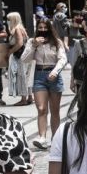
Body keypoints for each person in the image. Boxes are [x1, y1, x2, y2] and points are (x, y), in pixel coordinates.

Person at [25, 17, 68, 150]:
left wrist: (55, 72)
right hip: (39, 75)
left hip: (54, 74)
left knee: (55, 110)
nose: (43, 30)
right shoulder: (32, 42)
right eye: (40, 27)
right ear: (37, 28)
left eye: (45, 27)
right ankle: (42, 137)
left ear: (49, 28)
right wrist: (34, 46)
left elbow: (62, 59)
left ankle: (55, 139)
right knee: (41, 109)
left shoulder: (57, 42)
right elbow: (24, 59)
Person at [4, 10, 31, 105]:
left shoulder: (17, 29)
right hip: (25, 56)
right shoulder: (21, 28)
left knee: (22, 76)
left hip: (20, 56)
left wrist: (10, 52)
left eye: (8, 19)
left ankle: (24, 99)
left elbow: (19, 43)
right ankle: (29, 97)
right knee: (27, 76)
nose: (7, 21)